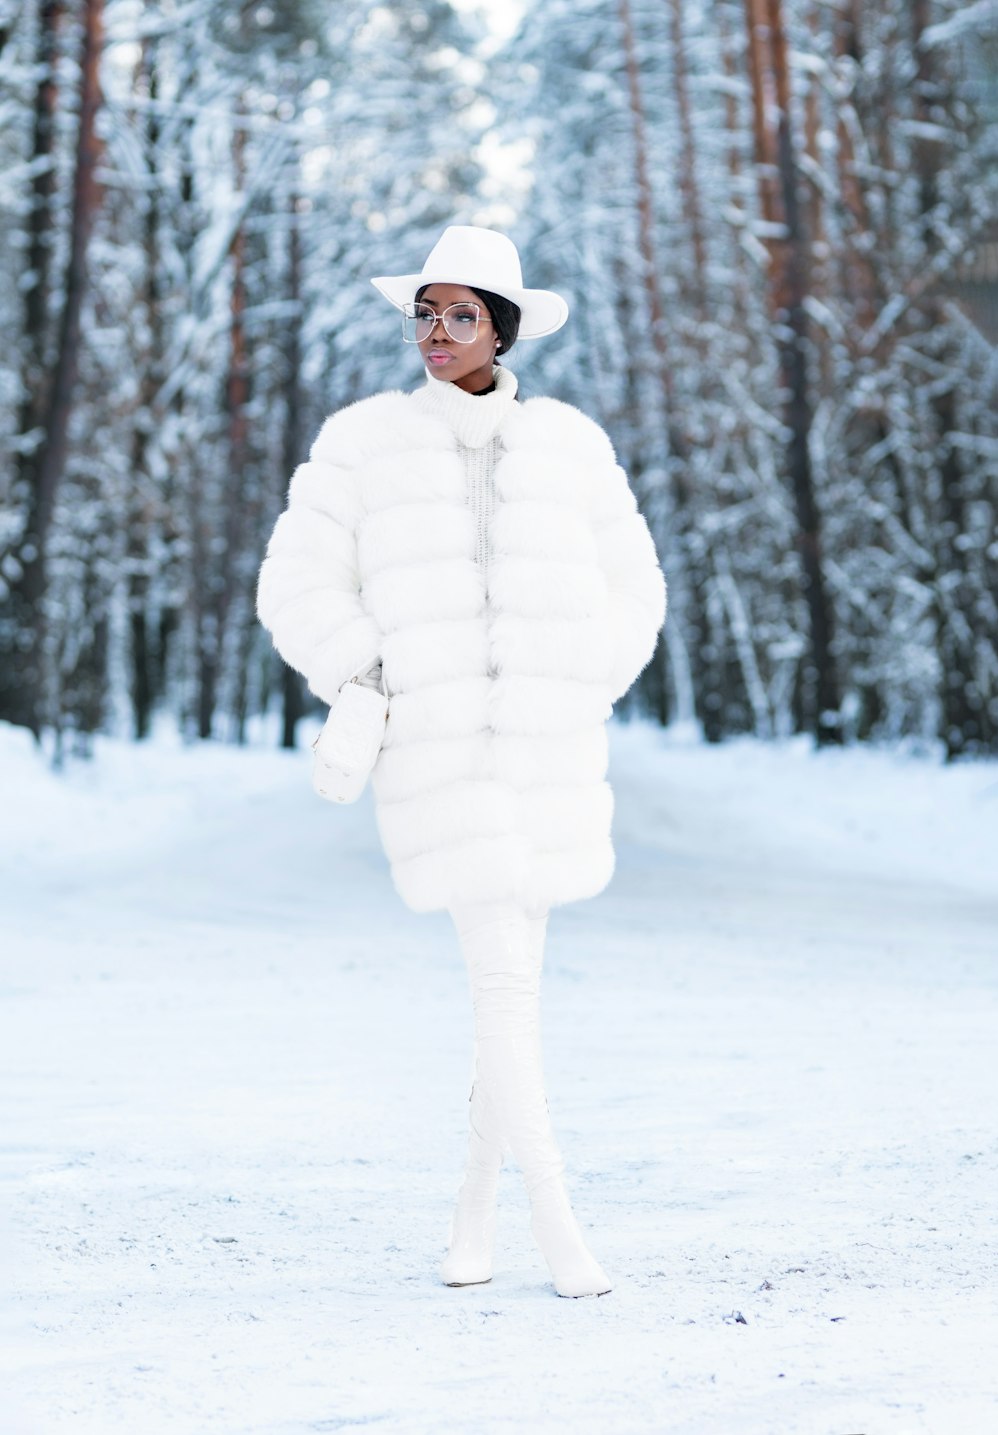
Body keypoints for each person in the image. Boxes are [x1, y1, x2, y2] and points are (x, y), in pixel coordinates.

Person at [256, 225, 667, 1298]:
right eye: (424, 313)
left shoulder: (571, 446)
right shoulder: (362, 442)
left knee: (512, 990)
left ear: (503, 328)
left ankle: (470, 1219)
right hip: (438, 757)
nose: (436, 333)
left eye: (461, 314)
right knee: (500, 978)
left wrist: (582, 673)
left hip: (550, 751)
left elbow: (637, 589)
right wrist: (374, 668)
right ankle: (559, 1222)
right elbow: (293, 585)